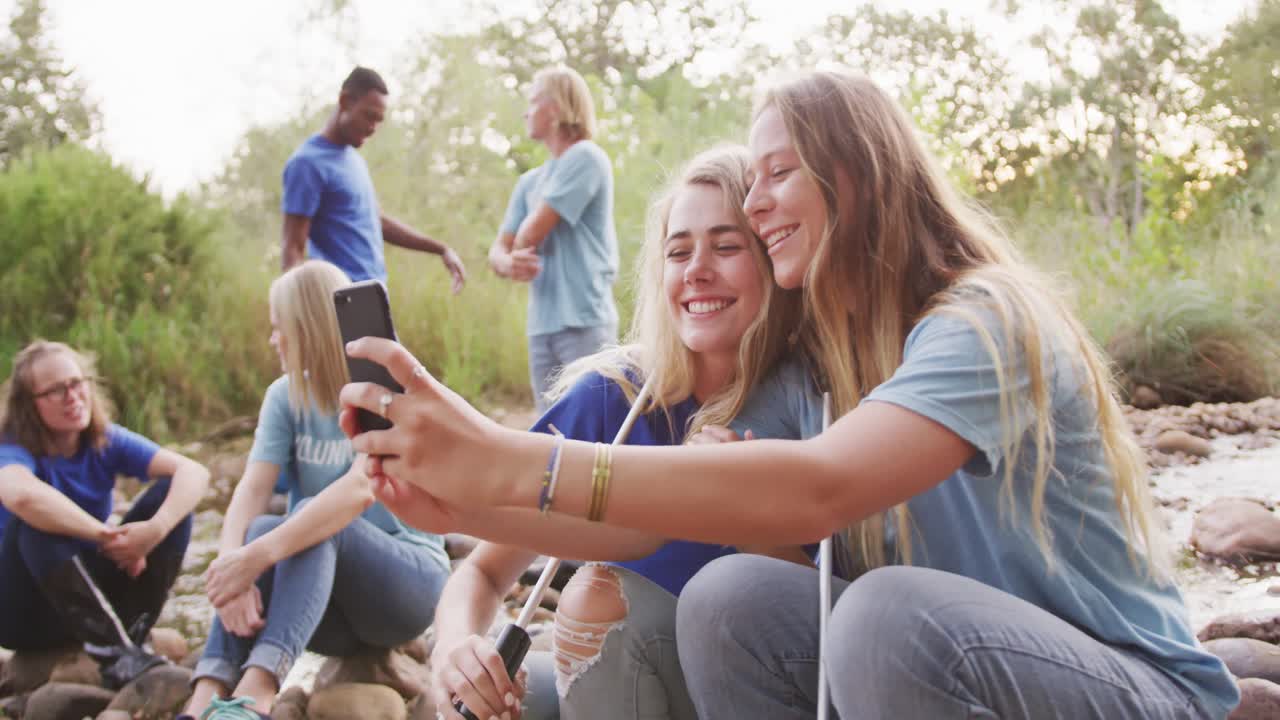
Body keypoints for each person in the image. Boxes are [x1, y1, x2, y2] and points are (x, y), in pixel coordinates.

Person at [339, 69, 1240, 719]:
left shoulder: (984, 320)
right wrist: (457, 503)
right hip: (951, 683)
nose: (759, 200)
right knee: (730, 594)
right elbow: (647, 528)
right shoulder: (814, 372)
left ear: (856, 172)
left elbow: (819, 488)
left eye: (777, 173)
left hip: (1126, 687)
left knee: (883, 614)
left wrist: (506, 457)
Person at [423, 146, 806, 720]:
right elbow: (482, 569)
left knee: (596, 599)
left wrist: (743, 514)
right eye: (678, 252)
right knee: (482, 706)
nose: (697, 270)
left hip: (749, 694)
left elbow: (823, 622)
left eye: (727, 247)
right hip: (617, 690)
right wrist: (454, 651)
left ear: (773, 261)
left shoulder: (811, 404)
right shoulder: (617, 397)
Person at [178, 261, 451, 720]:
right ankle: (204, 696)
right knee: (262, 527)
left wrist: (255, 558)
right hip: (328, 614)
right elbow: (252, 489)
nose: (273, 340)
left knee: (317, 522)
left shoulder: (380, 392)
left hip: (406, 591)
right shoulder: (284, 397)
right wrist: (231, 569)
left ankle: (257, 693)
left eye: (278, 328)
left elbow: (360, 490)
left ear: (305, 329)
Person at [0, 340, 209, 687]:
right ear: (29, 405)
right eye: (56, 390)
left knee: (170, 499)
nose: (72, 396)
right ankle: (116, 656)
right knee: (35, 524)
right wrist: (106, 537)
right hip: (24, 611)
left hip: (92, 601)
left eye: (77, 383)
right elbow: (22, 497)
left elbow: (194, 472)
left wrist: (154, 531)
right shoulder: (11, 448)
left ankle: (134, 637)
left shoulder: (104, 440)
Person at [488, 66, 619, 413]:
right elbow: (498, 251)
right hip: (542, 325)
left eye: (533, 101)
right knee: (548, 428)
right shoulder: (529, 182)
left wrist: (514, 249)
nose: (526, 112)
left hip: (585, 321)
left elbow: (529, 233)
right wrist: (507, 262)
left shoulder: (586, 157)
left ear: (557, 107)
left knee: (590, 425)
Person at [281, 66, 466, 292]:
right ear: (345, 101)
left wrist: (440, 248)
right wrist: (297, 309)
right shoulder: (307, 163)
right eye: (369, 116)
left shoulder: (353, 160)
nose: (373, 128)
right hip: (340, 298)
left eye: (379, 121)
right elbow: (293, 250)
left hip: (374, 295)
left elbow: (376, 221)